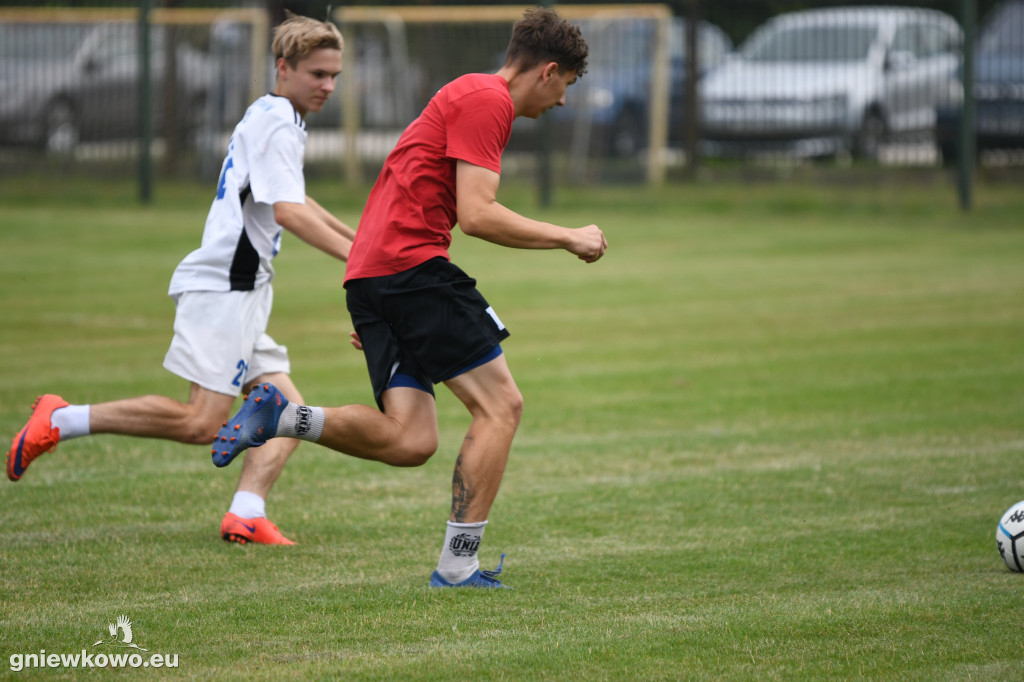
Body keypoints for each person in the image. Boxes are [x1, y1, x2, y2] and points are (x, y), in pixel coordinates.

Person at [213, 7, 606, 586]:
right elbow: (477, 214)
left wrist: (378, 299)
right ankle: (457, 566)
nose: (563, 102)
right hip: (411, 269)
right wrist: (569, 237)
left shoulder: (466, 94)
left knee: (411, 439)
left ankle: (283, 415)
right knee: (502, 407)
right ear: (548, 71)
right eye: (566, 87)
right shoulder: (487, 99)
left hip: (377, 275)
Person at [6, 13, 356, 546]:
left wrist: (362, 242)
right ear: (283, 67)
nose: (329, 85)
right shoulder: (277, 122)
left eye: (334, 75)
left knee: (288, 414)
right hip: (224, 289)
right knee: (203, 424)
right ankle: (62, 419)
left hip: (244, 291)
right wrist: (361, 263)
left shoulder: (275, 116)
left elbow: (297, 199)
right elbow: (289, 213)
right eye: (318, 74)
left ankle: (245, 511)